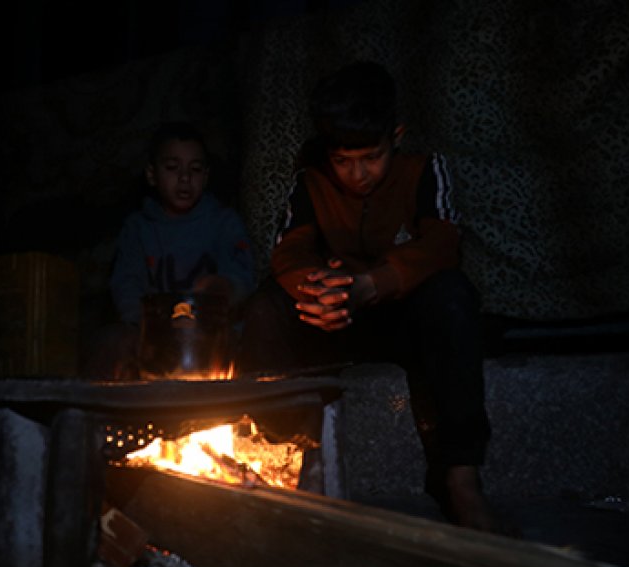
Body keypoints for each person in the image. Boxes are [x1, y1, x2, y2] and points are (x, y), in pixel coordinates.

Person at [237, 61, 521, 537]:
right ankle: (278, 461)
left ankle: (461, 480)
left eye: (370, 157)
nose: (357, 174)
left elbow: (442, 243)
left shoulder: (423, 169)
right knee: (265, 309)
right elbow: (290, 252)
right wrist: (320, 291)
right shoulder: (310, 181)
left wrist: (371, 284)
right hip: (331, 325)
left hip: (400, 321)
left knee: (452, 295)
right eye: (343, 161)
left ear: (396, 136)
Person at [86, 121, 256, 380]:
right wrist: (154, 327)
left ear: (206, 176)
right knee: (112, 340)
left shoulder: (223, 222)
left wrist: (222, 289)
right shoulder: (139, 228)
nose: (185, 178)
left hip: (213, 335)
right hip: (153, 336)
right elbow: (126, 284)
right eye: (172, 168)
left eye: (195, 169)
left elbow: (242, 273)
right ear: (152, 175)